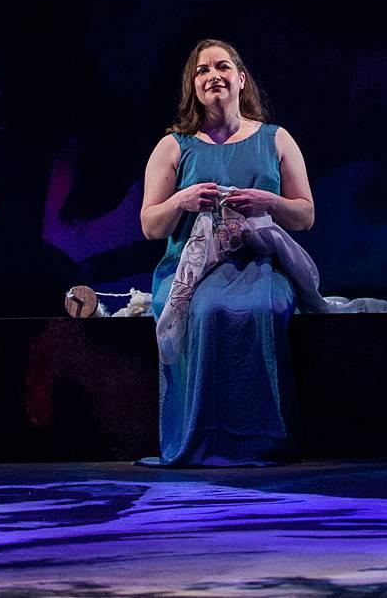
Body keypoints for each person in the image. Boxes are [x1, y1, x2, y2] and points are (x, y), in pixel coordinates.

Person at [138, 39, 315, 465]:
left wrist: (267, 203)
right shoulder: (175, 146)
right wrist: (181, 201)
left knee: (262, 307)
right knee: (206, 310)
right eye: (202, 70)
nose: (213, 75)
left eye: (222, 66)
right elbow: (149, 225)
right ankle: (205, 441)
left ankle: (260, 440)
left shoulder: (276, 139)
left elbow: (305, 215)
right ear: (193, 86)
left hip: (259, 265)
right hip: (189, 271)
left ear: (240, 78)